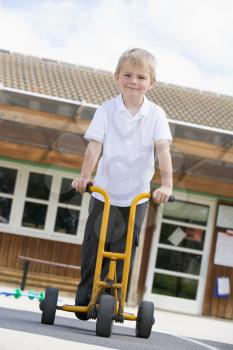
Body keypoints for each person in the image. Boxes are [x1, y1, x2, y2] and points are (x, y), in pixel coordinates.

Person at [72, 47, 173, 319]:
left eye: (141, 77)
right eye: (127, 74)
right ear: (117, 77)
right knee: (94, 243)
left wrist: (166, 185)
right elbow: (94, 147)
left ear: (151, 83)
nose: (133, 81)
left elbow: (163, 150)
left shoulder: (156, 115)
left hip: (137, 196)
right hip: (104, 192)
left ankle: (114, 298)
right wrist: (85, 177)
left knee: (126, 247)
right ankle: (86, 291)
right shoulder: (106, 110)